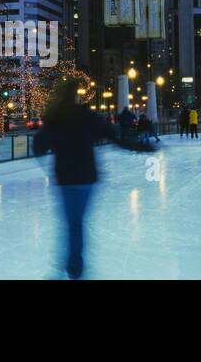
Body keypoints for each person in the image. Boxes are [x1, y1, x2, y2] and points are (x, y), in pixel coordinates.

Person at [34, 80, 154, 279]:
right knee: (76, 223)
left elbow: (38, 146)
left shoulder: (56, 117)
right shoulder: (87, 116)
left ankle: (74, 267)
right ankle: (74, 268)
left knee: (73, 223)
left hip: (66, 179)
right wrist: (142, 147)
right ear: (76, 95)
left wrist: (51, 156)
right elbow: (116, 139)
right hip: (86, 178)